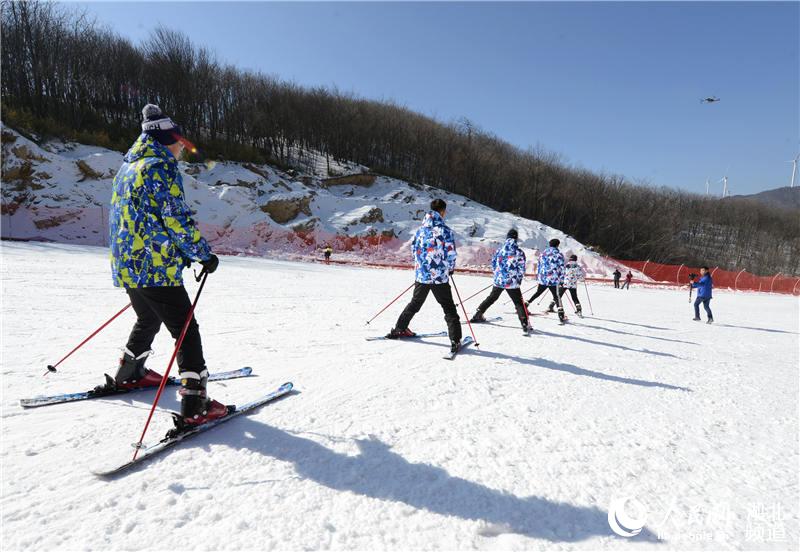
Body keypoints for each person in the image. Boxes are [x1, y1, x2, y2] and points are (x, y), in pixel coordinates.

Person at [96, 103, 225, 427]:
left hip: (127, 262)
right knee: (185, 331)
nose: (182, 147)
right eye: (179, 141)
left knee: (148, 316)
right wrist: (201, 254)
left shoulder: (128, 167)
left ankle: (130, 371)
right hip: (153, 264)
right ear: (167, 139)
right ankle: (195, 402)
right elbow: (175, 218)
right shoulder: (159, 167)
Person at [387, 199, 462, 353]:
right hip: (439, 277)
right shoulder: (445, 231)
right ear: (442, 211)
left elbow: (414, 250)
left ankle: (399, 328)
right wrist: (450, 268)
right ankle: (455, 339)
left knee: (415, 303)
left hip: (422, 275)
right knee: (448, 307)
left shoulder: (420, 230)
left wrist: (422, 267)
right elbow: (451, 253)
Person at [471, 229, 531, 332]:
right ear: (516, 238)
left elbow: (493, 264)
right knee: (518, 302)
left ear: (507, 238)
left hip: (499, 280)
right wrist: (519, 279)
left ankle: (478, 314)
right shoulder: (519, 252)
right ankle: (524, 323)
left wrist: (498, 275)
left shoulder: (500, 250)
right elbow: (521, 268)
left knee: (492, 297)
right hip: (512, 282)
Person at [525, 238, 566, 323]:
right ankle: (561, 313)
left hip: (543, 278)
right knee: (556, 296)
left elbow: (539, 266)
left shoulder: (543, 254)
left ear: (549, 244)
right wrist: (561, 280)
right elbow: (562, 268)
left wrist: (539, 276)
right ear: (557, 245)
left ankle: (526, 304)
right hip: (553, 279)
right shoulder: (559, 255)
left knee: (538, 293)